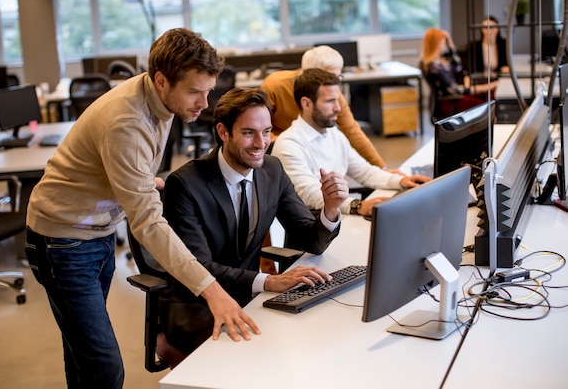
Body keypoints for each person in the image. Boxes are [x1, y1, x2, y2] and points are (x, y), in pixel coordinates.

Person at [24, 28, 259, 389]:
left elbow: (124, 161)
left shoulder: (160, 99)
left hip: (96, 231)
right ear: (162, 80)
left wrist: (143, 182)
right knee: (103, 367)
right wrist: (213, 292)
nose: (204, 103)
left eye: (208, 91)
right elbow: (148, 223)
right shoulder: (127, 121)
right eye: (195, 92)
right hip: (63, 242)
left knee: (83, 358)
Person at [159, 87, 347, 356]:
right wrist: (269, 282)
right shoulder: (186, 184)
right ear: (223, 132)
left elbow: (310, 240)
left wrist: (330, 209)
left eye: (267, 131)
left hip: (250, 296)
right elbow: (199, 266)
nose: (261, 143)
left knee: (317, 341)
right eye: (249, 133)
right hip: (198, 304)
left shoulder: (272, 170)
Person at [271, 68, 430, 217]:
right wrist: (356, 206)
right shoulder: (289, 144)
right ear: (306, 104)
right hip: (313, 227)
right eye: (330, 101)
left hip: (337, 216)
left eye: (338, 100)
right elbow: (310, 194)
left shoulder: (333, 133)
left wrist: (400, 181)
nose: (338, 108)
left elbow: (363, 171)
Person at [261, 45, 390, 170]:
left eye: (338, 77)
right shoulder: (275, 85)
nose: (334, 84)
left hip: (311, 144)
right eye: (330, 77)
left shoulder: (332, 92)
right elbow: (258, 123)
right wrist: (273, 138)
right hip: (278, 146)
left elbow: (352, 131)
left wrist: (381, 168)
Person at [420, 27, 498, 120]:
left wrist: (451, 46)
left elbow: (458, 68)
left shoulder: (442, 60)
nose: (445, 44)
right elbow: (455, 90)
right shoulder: (433, 66)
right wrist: (483, 88)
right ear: (436, 43)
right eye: (443, 41)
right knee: (485, 107)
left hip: (455, 96)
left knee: (489, 95)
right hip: (450, 100)